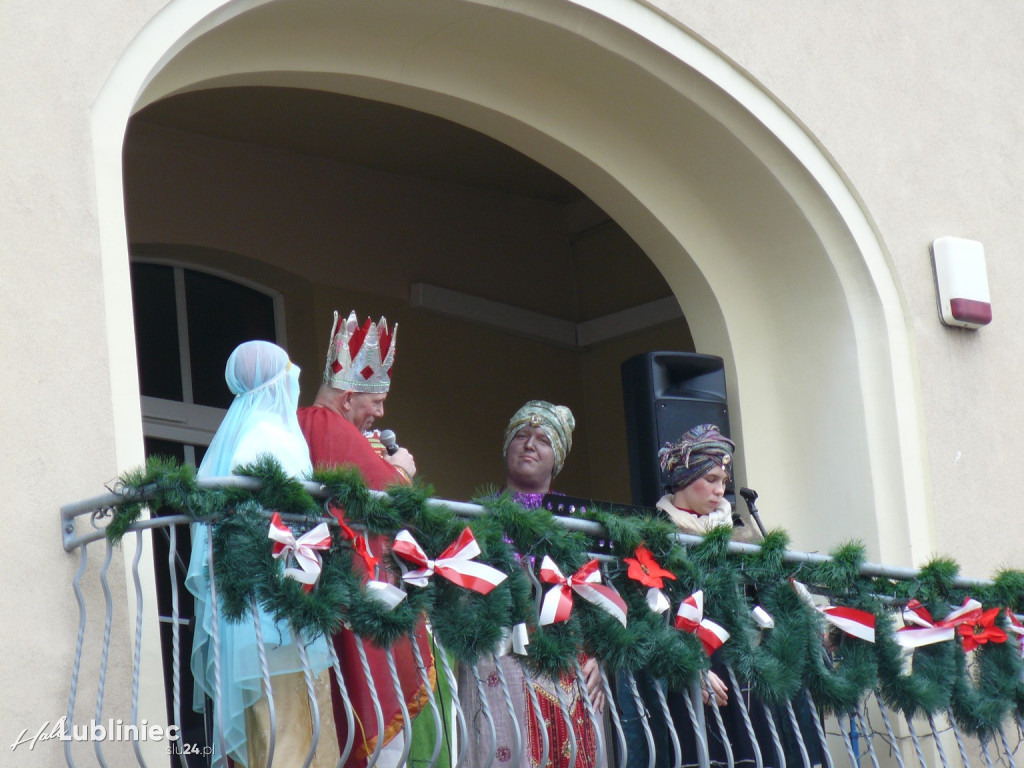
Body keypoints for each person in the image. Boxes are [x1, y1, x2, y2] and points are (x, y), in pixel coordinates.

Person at [185, 340, 338, 768]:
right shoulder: (272, 435)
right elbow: (295, 520)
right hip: (279, 605)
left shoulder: (239, 437)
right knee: (292, 723)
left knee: (266, 725)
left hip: (251, 606)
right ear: (278, 386)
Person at [297, 310, 433, 768]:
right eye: (376, 401)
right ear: (349, 395)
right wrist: (404, 472)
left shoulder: (329, 426)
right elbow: (390, 492)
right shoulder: (323, 422)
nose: (380, 413)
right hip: (351, 599)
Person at [458, 400, 605, 768]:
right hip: (498, 665)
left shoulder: (579, 527)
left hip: (566, 673)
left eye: (542, 439)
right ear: (506, 447)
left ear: (556, 458)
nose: (529, 444)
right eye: (521, 435)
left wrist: (600, 657)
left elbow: (597, 603)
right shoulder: (476, 520)